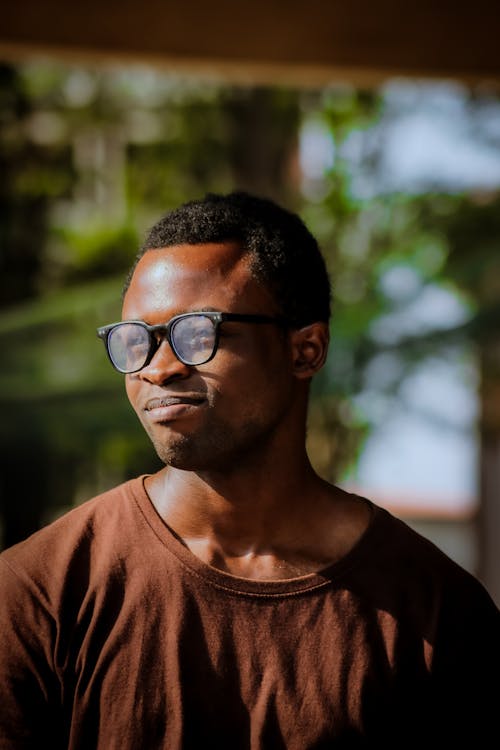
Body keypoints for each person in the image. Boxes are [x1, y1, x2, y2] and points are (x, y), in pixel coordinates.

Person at [0, 191, 498, 749]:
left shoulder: (438, 615)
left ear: (305, 351)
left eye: (197, 332)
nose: (158, 369)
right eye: (134, 341)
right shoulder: (36, 593)